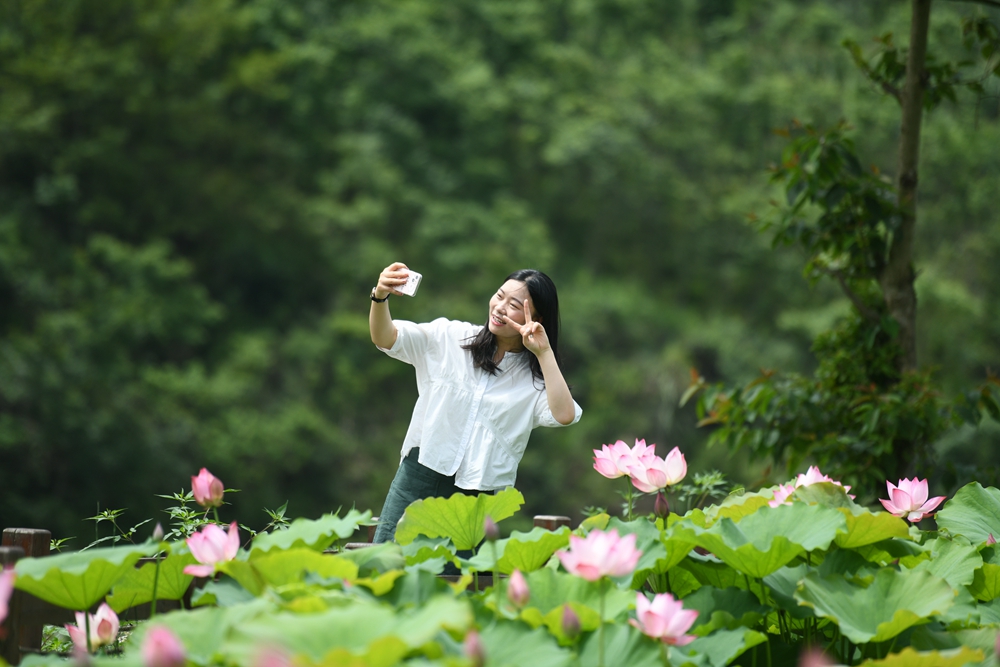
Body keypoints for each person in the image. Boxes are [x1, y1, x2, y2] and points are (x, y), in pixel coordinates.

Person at [369, 262, 583, 543]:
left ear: (537, 317)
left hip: (475, 497)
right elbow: (385, 338)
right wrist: (380, 297)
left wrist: (543, 352)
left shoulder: (535, 383)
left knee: (458, 584)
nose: (499, 307)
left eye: (514, 304)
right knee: (388, 569)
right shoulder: (450, 337)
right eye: (499, 295)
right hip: (417, 478)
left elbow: (565, 414)